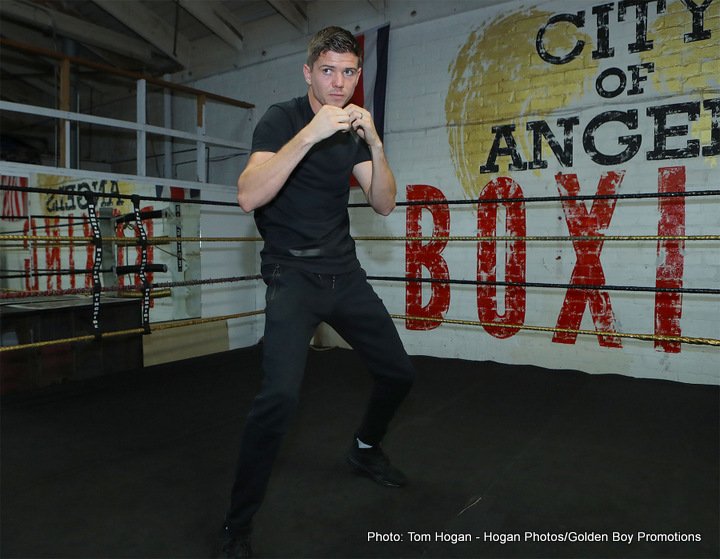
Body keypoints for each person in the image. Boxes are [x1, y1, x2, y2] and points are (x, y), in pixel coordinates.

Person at [220, 26, 416, 559]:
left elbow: (383, 204)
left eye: (349, 72)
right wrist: (309, 133)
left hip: (344, 276)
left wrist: (374, 142)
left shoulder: (353, 131)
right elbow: (247, 196)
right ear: (309, 72)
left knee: (399, 372)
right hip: (292, 277)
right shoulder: (281, 119)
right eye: (328, 70)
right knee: (279, 399)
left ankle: (364, 449)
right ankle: (237, 525)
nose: (339, 82)